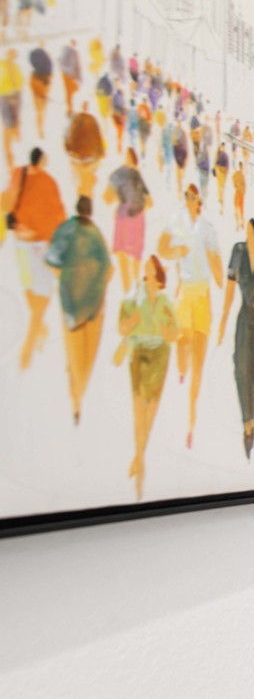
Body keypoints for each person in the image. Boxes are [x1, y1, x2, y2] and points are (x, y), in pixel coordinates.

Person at [157, 184, 221, 448]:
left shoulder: (207, 228)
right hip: (184, 291)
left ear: (199, 202)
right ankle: (180, 370)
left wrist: (221, 273)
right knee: (182, 348)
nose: (190, 202)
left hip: (202, 295)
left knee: (198, 363)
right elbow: (162, 249)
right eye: (187, 197)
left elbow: (217, 270)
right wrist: (176, 252)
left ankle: (191, 422)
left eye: (193, 198)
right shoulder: (176, 220)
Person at [45, 196, 113, 424]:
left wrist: (65, 276)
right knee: (84, 360)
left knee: (75, 357)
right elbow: (107, 269)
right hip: (92, 305)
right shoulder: (95, 235)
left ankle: (76, 403)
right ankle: (76, 403)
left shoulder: (68, 229)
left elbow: (52, 258)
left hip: (73, 304)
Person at [117, 256, 178, 499]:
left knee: (150, 409)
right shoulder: (135, 296)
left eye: (153, 270)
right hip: (140, 351)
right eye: (147, 270)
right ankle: (140, 460)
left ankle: (139, 458)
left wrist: (166, 330)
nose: (149, 273)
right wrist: (132, 322)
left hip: (159, 354)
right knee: (138, 408)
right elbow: (123, 327)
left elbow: (173, 333)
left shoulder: (164, 301)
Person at [217, 218, 254, 458]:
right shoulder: (238, 251)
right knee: (241, 370)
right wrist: (222, 321)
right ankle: (246, 423)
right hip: (244, 320)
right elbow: (230, 289)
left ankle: (252, 422)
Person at [5, 147, 66, 369]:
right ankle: (29, 349)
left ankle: (30, 346)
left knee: (30, 292)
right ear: (43, 161)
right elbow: (57, 215)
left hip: (21, 243)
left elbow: (7, 199)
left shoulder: (18, 173)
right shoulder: (48, 182)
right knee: (38, 298)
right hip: (40, 245)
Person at [103, 147, 151, 292]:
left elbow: (107, 198)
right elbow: (149, 201)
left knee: (122, 253)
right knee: (135, 253)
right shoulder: (137, 175)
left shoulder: (118, 174)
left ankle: (126, 289)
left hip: (124, 216)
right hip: (138, 217)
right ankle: (135, 286)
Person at [64, 102, 105, 199]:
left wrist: (69, 150)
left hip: (79, 159)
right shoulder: (89, 120)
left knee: (81, 183)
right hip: (87, 159)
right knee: (85, 184)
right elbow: (97, 138)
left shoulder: (78, 119)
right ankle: (85, 200)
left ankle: (82, 200)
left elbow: (69, 136)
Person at [0, 48, 22, 171]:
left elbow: (19, 82)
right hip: (5, 98)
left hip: (15, 97)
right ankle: (9, 161)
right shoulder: (2, 66)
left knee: (15, 126)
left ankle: (13, 157)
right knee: (8, 127)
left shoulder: (15, 67)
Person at [27, 44, 50, 137]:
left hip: (41, 90)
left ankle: (40, 128)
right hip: (39, 94)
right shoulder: (36, 76)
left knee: (40, 112)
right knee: (40, 112)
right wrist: (42, 94)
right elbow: (36, 88)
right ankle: (40, 129)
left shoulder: (36, 74)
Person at [59, 40, 82, 116]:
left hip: (65, 74)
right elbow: (77, 65)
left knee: (69, 92)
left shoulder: (65, 50)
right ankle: (69, 109)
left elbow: (60, 61)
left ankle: (69, 108)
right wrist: (78, 76)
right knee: (70, 92)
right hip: (70, 75)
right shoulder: (74, 52)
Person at [170, 109, 187, 195]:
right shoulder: (177, 131)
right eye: (178, 121)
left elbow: (185, 144)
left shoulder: (181, 132)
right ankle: (179, 188)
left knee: (180, 172)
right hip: (178, 152)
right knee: (179, 172)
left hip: (181, 153)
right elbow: (173, 142)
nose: (179, 123)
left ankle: (180, 187)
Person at [212, 144, 229, 211]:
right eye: (222, 147)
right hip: (219, 172)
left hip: (223, 173)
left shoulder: (225, 155)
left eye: (224, 147)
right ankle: (220, 201)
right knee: (219, 187)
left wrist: (226, 172)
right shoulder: (218, 154)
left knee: (221, 188)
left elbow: (227, 165)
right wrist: (214, 170)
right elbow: (215, 163)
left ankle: (221, 201)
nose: (223, 148)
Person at [231, 160, 246, 229]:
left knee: (240, 209)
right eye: (241, 166)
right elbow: (233, 178)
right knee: (237, 209)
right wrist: (236, 185)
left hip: (240, 194)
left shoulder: (241, 174)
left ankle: (241, 223)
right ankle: (238, 224)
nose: (241, 168)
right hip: (238, 193)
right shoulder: (238, 174)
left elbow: (244, 186)